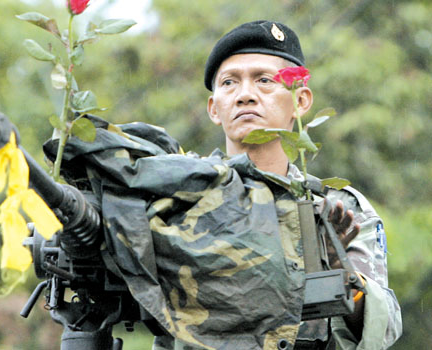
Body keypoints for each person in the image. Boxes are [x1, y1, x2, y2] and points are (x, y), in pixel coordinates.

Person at [153, 20, 402, 350]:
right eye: (229, 83)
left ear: (300, 102)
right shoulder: (180, 196)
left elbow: (381, 330)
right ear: (214, 109)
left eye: (264, 80)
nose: (245, 95)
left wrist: (340, 272)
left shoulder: (334, 207)